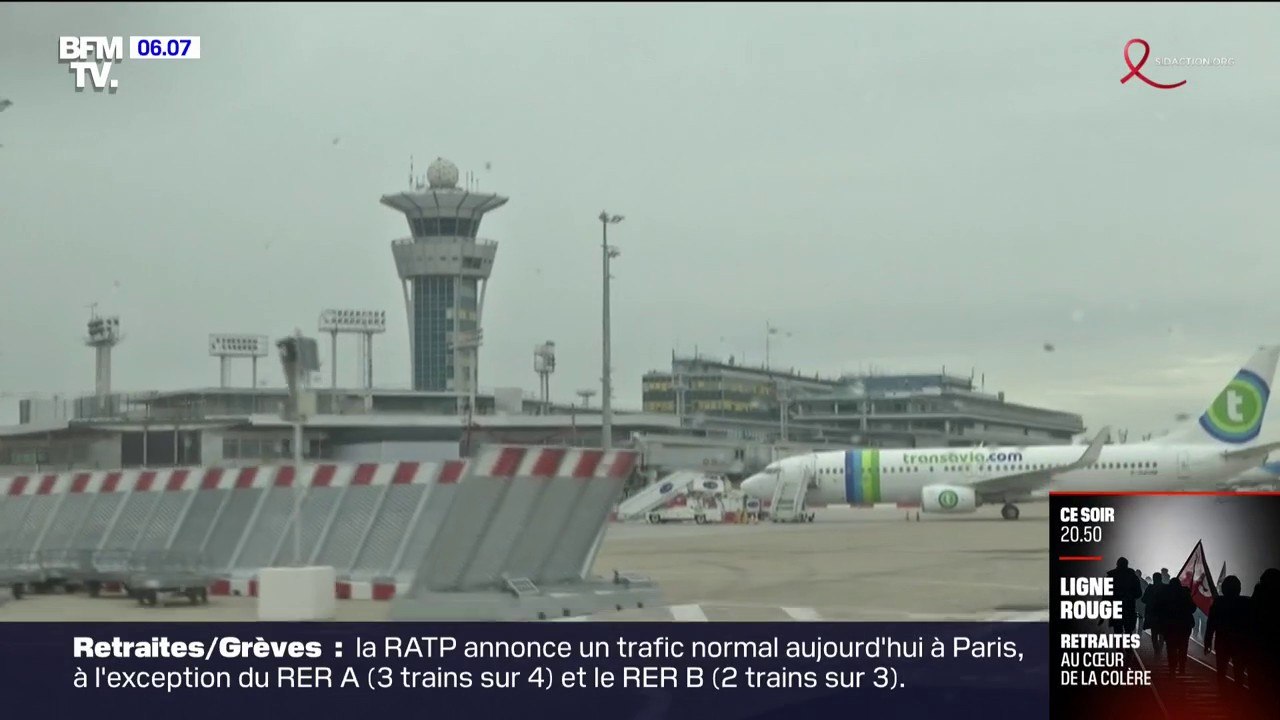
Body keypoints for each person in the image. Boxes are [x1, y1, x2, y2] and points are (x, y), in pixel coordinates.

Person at [1204, 575, 1250, 691]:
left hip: (1222, 641)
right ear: (1238, 589)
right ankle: (1237, 693)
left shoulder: (1218, 603)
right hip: (1240, 642)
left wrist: (1207, 641)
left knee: (1221, 670)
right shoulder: (1246, 603)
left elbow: (1211, 624)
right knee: (1239, 671)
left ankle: (1223, 692)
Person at [1162, 577, 1197, 674]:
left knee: (1170, 647)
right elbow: (1193, 608)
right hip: (1184, 624)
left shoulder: (1166, 594)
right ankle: (1182, 667)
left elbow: (1160, 609)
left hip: (1170, 625)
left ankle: (1172, 667)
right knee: (1183, 646)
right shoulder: (1185, 593)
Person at [1107, 557, 1143, 634]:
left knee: (1117, 631)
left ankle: (1120, 645)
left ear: (1117, 564)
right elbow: (1139, 593)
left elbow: (1106, 595)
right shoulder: (1132, 576)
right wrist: (1130, 596)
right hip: (1129, 606)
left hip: (1116, 607)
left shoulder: (1111, 575)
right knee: (1128, 630)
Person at [1142, 572, 1166, 653]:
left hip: (1152, 614)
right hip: (1163, 614)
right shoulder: (1165, 588)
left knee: (1154, 633)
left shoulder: (1150, 588)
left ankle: (1156, 649)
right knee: (1162, 632)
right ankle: (1160, 648)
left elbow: (1144, 600)